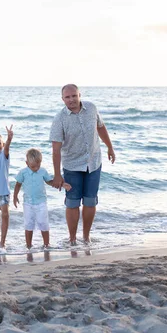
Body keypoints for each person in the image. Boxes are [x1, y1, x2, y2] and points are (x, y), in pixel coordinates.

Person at [50, 84, 116, 246]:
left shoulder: (92, 108)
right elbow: (56, 150)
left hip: (93, 163)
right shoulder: (60, 119)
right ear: (62, 99)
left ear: (80, 95)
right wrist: (57, 175)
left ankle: (86, 237)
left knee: (90, 201)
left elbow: (100, 127)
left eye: (74, 96)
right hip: (72, 165)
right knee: (72, 202)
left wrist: (110, 147)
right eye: (67, 97)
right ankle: (72, 239)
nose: (71, 99)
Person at [13, 148, 72, 250]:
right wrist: (15, 196)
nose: (36, 168)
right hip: (28, 203)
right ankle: (28, 245)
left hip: (41, 202)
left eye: (38, 165)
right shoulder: (23, 173)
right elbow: (18, 184)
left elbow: (49, 182)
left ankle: (46, 244)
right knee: (28, 224)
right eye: (33, 167)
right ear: (27, 163)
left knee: (43, 223)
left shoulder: (43, 171)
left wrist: (61, 184)